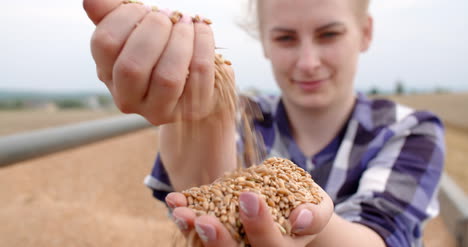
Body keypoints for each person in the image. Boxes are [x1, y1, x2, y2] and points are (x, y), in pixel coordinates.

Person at [83, 0, 445, 246]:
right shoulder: (245, 116)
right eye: (285, 37)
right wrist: (199, 107)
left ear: (365, 33)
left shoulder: (410, 129)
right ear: (265, 44)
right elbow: (204, 184)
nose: (307, 62)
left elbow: (378, 237)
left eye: (329, 34)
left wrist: (303, 218)